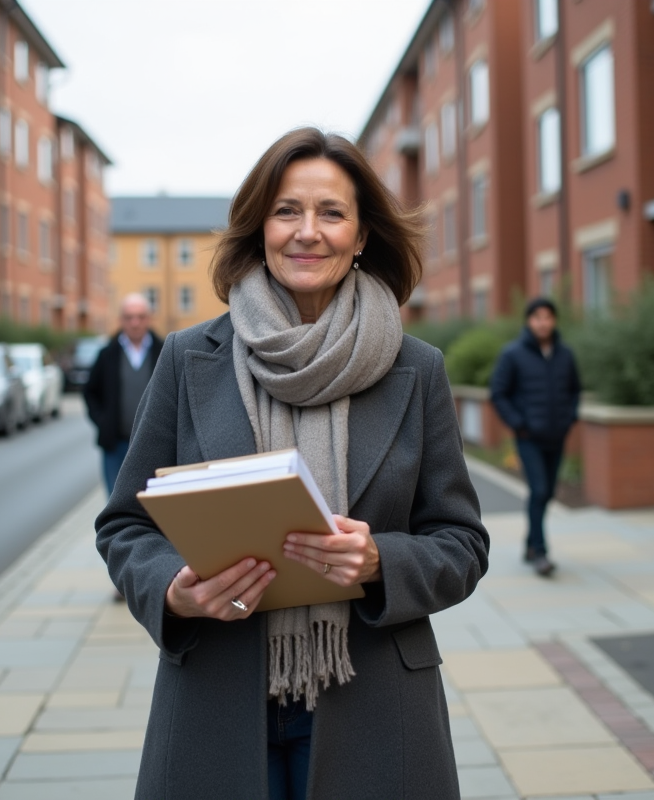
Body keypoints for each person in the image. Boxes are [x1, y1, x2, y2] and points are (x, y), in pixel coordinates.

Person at [95, 127, 489, 799]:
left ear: (361, 235)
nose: (308, 232)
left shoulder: (416, 368)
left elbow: (462, 544)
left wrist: (380, 562)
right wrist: (171, 588)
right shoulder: (190, 358)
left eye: (331, 212)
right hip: (218, 693)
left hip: (375, 700)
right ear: (261, 228)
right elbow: (125, 527)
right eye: (287, 211)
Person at [489, 297, 582, 577]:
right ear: (529, 321)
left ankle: (530, 544)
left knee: (547, 493)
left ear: (554, 321)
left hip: (557, 435)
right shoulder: (513, 354)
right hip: (529, 437)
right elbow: (498, 393)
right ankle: (540, 552)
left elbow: (575, 390)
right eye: (537, 317)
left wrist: (570, 418)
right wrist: (519, 423)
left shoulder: (565, 354)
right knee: (540, 491)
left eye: (548, 317)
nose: (543, 322)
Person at [83, 293, 164, 494]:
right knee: (116, 500)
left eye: (140, 317)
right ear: (121, 320)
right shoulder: (107, 354)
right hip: (116, 445)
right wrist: (103, 422)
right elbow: (90, 392)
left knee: (152, 503)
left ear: (149, 319)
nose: (135, 323)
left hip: (153, 445)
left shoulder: (164, 352)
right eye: (129, 317)